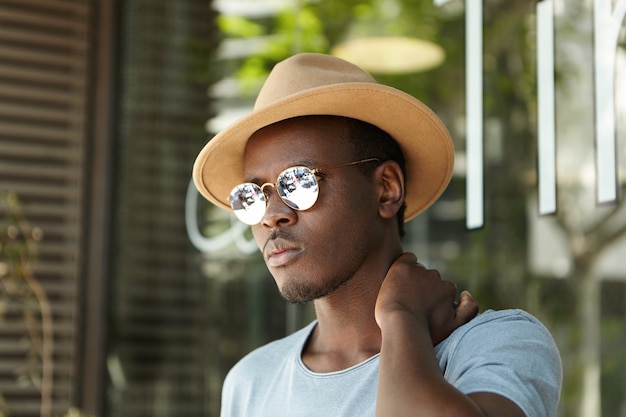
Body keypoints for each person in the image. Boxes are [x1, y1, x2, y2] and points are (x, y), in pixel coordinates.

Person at [193, 53, 562, 417]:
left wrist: (401, 318)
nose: (272, 216)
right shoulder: (253, 381)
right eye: (253, 196)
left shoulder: (491, 345)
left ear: (386, 188)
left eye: (299, 181)